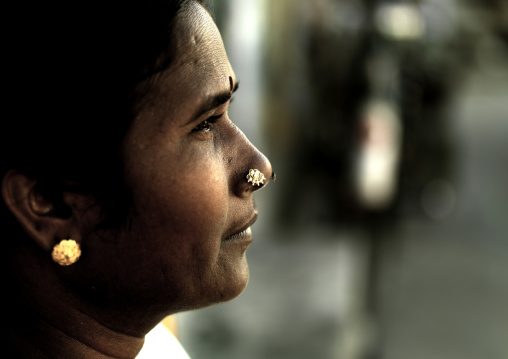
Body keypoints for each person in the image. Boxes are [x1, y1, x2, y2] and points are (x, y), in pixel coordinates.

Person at [0, 0, 272, 357]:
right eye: (204, 124)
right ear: (51, 203)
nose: (260, 169)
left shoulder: (156, 344)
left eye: (226, 113)